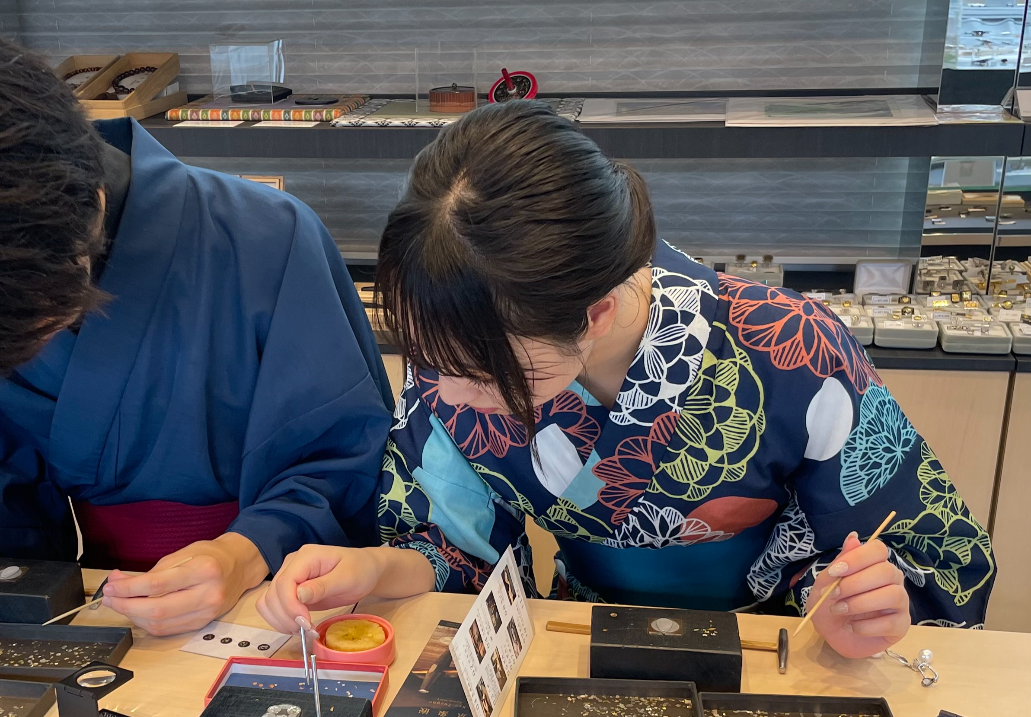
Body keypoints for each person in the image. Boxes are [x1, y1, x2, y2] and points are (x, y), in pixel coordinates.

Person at [258, 100, 996, 658]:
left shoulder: (786, 347)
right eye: (430, 358)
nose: (446, 394)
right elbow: (456, 549)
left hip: (772, 652)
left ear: (596, 312)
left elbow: (920, 553)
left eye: (486, 373)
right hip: (577, 643)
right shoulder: (461, 343)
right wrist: (371, 568)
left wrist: (856, 605)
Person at [0, 25, 392, 637]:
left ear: (89, 205)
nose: (20, 355)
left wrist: (245, 551)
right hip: (63, 622)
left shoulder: (267, 242)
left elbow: (338, 462)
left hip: (257, 611)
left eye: (32, 321)